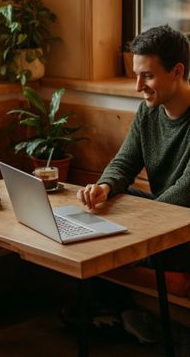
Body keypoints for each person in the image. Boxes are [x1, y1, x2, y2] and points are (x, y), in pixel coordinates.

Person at [76, 24, 190, 342]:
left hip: (186, 222)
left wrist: (131, 230)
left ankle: (117, 315)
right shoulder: (148, 112)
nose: (138, 85)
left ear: (177, 71)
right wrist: (104, 188)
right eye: (136, 74)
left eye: (148, 76)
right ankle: (117, 313)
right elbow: (125, 162)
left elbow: (183, 193)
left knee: (108, 231)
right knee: (106, 203)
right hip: (163, 215)